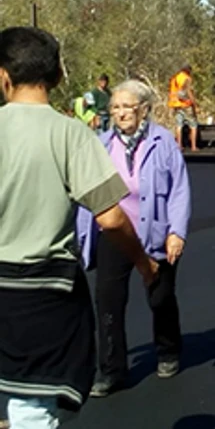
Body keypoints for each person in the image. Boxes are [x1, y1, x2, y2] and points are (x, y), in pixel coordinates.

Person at [0, 27, 158, 428]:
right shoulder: (71, 134)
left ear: (3, 76)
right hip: (44, 293)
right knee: (32, 406)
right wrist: (142, 261)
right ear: (56, 78)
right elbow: (110, 217)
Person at [76, 79, 191, 398]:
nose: (121, 113)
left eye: (127, 106)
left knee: (160, 296)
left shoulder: (162, 141)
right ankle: (111, 370)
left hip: (154, 231)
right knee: (108, 302)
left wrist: (175, 232)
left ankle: (168, 350)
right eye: (115, 107)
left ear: (143, 110)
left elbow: (179, 189)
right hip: (114, 233)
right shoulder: (101, 144)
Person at [168, 65, 198, 152]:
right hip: (186, 104)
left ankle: (179, 145)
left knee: (179, 125)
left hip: (176, 105)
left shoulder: (176, 78)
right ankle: (193, 146)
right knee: (193, 126)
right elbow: (188, 92)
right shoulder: (187, 78)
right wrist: (194, 105)